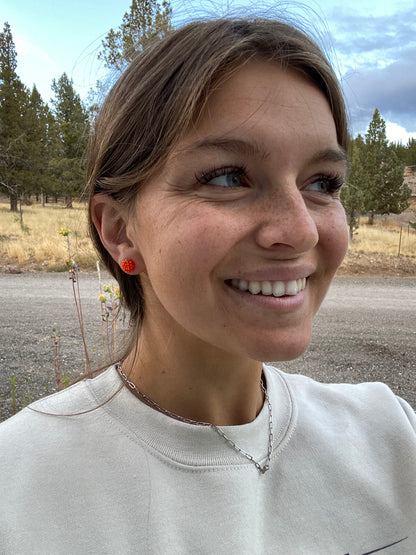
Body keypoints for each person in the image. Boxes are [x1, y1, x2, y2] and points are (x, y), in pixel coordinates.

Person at [0, 17, 415, 555]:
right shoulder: (16, 488)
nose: (300, 229)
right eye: (227, 177)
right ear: (120, 230)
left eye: (321, 183)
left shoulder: (393, 439)